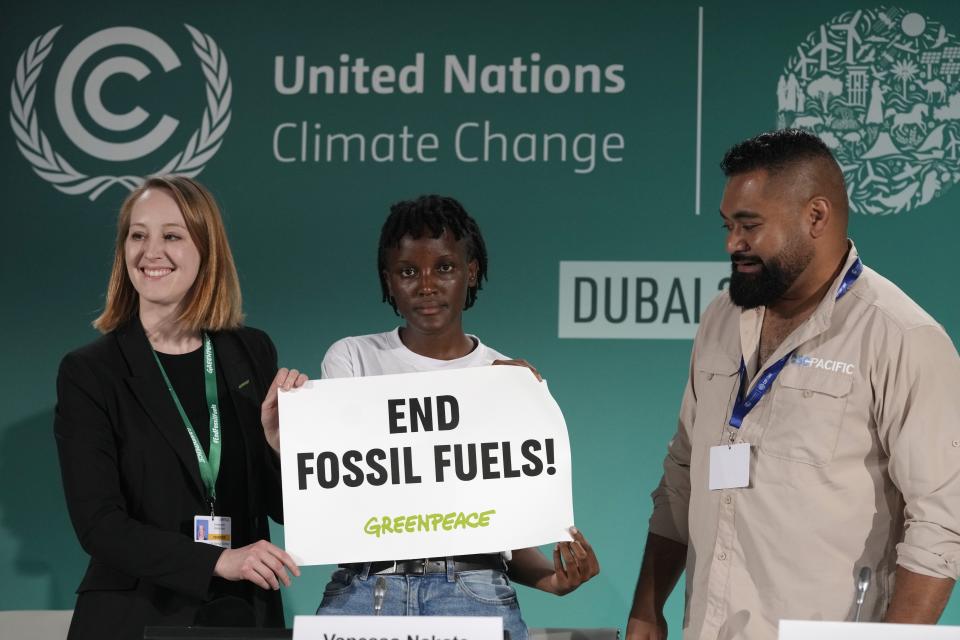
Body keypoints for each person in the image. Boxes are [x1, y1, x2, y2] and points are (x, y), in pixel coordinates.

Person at [626, 129, 960, 640]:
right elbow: (683, 474)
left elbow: (940, 526)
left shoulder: (902, 337)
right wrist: (647, 609)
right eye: (728, 225)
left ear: (816, 217)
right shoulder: (719, 318)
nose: (731, 243)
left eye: (749, 225)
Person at [316, 194, 600, 639]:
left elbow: (501, 526)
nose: (426, 284)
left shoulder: (507, 378)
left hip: (475, 590)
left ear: (471, 272)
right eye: (408, 271)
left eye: (444, 267)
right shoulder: (351, 358)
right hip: (367, 588)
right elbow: (346, 496)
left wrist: (553, 579)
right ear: (388, 281)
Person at [54, 176, 304, 640]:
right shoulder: (90, 371)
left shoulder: (250, 351)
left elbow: (283, 508)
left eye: (172, 235)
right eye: (137, 235)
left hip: (241, 615)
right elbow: (99, 526)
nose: (151, 252)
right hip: (133, 615)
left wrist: (278, 446)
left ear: (206, 250)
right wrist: (218, 559)